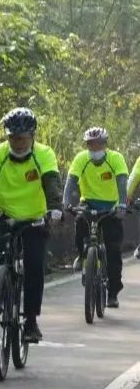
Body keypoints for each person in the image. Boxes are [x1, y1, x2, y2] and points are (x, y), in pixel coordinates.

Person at [0, 107, 62, 343]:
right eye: (13, 138)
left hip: (34, 219)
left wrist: (55, 208)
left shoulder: (44, 154)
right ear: (7, 136)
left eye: (23, 138)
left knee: (35, 266)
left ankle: (30, 321)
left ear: (32, 136)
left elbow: (51, 182)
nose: (18, 143)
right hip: (4, 215)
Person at [63, 126, 128, 308]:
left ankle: (113, 292)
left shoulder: (116, 158)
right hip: (88, 203)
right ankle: (83, 256)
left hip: (111, 207)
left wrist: (122, 204)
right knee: (80, 225)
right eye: (91, 145)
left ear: (105, 144)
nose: (94, 148)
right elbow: (71, 182)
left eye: (98, 144)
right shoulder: (81, 159)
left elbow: (122, 182)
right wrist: (66, 202)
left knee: (113, 250)